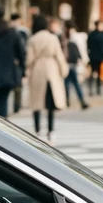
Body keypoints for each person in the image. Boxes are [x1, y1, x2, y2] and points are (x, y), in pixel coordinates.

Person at [27, 15, 69, 143]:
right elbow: (59, 56)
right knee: (50, 103)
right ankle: (51, 131)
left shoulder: (33, 39)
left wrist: (28, 73)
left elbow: (29, 59)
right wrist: (63, 70)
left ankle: (38, 130)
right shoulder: (52, 38)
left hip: (38, 69)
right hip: (52, 69)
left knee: (37, 102)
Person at [63, 21, 89, 109]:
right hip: (69, 65)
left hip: (70, 65)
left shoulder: (72, 41)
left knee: (70, 84)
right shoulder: (67, 41)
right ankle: (78, 101)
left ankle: (71, 101)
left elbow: (78, 53)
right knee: (71, 85)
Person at [10, 13, 30, 114]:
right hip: (13, 62)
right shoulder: (10, 31)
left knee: (18, 85)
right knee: (16, 84)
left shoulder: (23, 32)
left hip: (17, 63)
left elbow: (24, 49)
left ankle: (17, 105)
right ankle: (16, 105)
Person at [86, 21, 103, 97]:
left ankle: (93, 89)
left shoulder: (92, 34)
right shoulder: (101, 35)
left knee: (95, 73)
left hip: (94, 56)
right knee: (97, 73)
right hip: (97, 56)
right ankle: (96, 89)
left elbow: (88, 45)